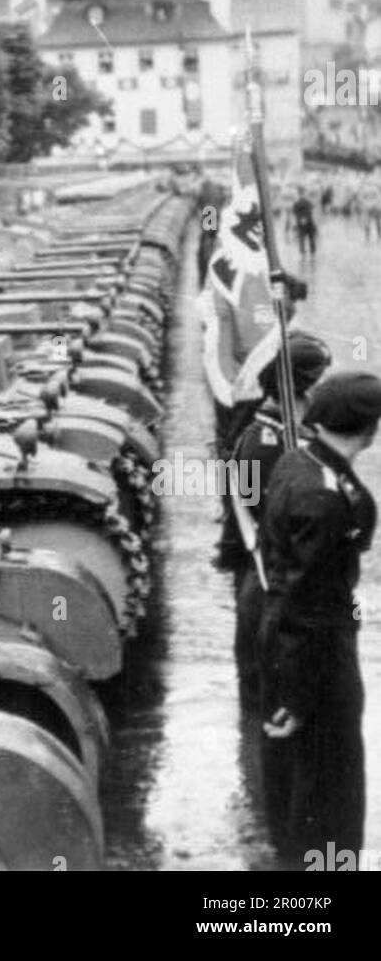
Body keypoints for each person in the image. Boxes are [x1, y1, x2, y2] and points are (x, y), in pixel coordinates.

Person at [258, 371, 381, 868]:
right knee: (331, 791)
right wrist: (298, 698)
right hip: (317, 655)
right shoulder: (323, 498)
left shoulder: (296, 463)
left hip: (285, 638)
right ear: (367, 429)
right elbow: (309, 606)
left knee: (295, 787)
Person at [215, 332, 332, 711]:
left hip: (275, 577)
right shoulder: (262, 443)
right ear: (301, 387)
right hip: (266, 577)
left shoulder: (285, 436)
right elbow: (251, 518)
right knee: (269, 694)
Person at [291, 189, 317, 257]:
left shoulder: (297, 203)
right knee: (309, 238)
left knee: (303, 239)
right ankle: (311, 252)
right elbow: (312, 212)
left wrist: (296, 222)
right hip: (308, 222)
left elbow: (294, 213)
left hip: (302, 222)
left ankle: (304, 253)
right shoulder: (307, 202)